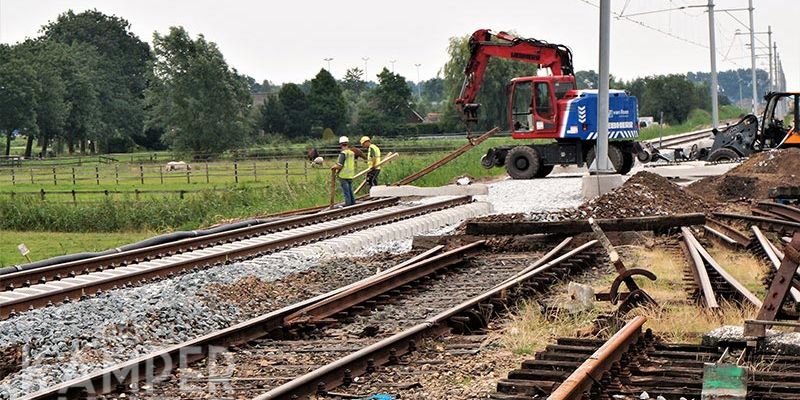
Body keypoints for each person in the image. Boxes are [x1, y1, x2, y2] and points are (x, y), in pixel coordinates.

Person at [331, 136, 356, 206]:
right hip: (350, 175)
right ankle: (353, 203)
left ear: (341, 144)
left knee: (346, 192)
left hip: (343, 175)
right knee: (350, 191)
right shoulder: (352, 153)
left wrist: (333, 167)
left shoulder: (343, 154)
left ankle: (348, 205)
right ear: (347, 144)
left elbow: (340, 165)